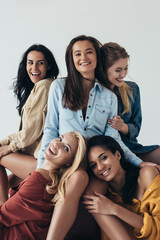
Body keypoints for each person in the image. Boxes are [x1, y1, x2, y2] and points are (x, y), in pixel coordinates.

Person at [37, 35, 153, 240]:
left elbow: (113, 138)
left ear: (97, 56)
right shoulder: (58, 88)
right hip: (64, 159)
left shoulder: (108, 97)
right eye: (77, 53)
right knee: (75, 179)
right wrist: (42, 168)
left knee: (92, 195)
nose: (83, 57)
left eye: (89, 52)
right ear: (71, 59)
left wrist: (137, 162)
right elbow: (50, 129)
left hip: (92, 163)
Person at [0, 131, 87, 240]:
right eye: (60, 138)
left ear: (69, 162)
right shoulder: (48, 180)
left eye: (66, 148)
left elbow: (2, 216)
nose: (57, 144)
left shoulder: (39, 181)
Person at [0, 44, 59, 204]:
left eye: (40, 63)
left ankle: (1, 212)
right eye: (30, 62)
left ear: (49, 65)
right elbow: (28, 130)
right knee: (10, 182)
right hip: (36, 158)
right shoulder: (43, 87)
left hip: (41, 161)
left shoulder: (44, 86)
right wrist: (3, 143)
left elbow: (30, 133)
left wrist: (8, 148)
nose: (34, 67)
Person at [83, 135, 160, 240]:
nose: (100, 167)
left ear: (118, 155)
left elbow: (158, 229)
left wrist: (114, 209)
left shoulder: (146, 175)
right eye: (93, 165)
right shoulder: (103, 198)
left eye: (103, 158)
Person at [103, 42, 160, 164]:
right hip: (108, 152)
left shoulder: (132, 89)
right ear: (103, 69)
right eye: (118, 70)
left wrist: (123, 127)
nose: (123, 74)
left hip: (132, 148)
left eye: (126, 68)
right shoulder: (95, 94)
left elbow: (136, 127)